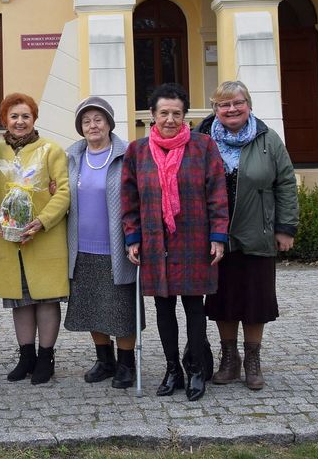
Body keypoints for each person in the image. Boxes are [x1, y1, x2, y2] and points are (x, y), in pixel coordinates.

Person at [121, 83, 228, 401]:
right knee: (163, 308)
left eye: (176, 113)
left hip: (194, 239)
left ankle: (196, 369)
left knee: (195, 307)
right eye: (163, 113)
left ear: (185, 116)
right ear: (152, 115)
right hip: (155, 241)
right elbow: (129, 199)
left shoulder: (204, 147)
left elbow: (218, 196)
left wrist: (218, 236)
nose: (170, 119)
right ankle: (172, 370)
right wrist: (132, 237)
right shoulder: (137, 151)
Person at [197, 80, 298, 390]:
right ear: (215, 110)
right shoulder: (201, 140)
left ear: (248, 105)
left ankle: (253, 360)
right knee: (222, 300)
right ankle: (229, 358)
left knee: (256, 300)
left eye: (237, 102)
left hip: (258, 232)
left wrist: (285, 228)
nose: (232, 109)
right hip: (216, 236)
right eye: (224, 104)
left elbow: (286, 183)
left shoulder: (268, 139)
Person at [0, 93, 70, 385]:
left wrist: (42, 221)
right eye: (14, 116)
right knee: (20, 300)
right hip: (9, 238)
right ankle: (26, 356)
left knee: (45, 299)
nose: (20, 122)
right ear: (5, 119)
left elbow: (64, 192)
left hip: (44, 236)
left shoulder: (51, 150)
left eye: (26, 116)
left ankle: (46, 357)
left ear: (34, 119)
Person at [64, 96, 142, 389]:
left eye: (98, 119)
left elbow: (138, 197)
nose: (92, 125)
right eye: (86, 121)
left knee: (121, 309)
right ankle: (104, 360)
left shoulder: (127, 155)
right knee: (92, 306)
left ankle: (126, 364)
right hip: (81, 247)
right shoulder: (72, 157)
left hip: (117, 248)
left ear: (109, 123)